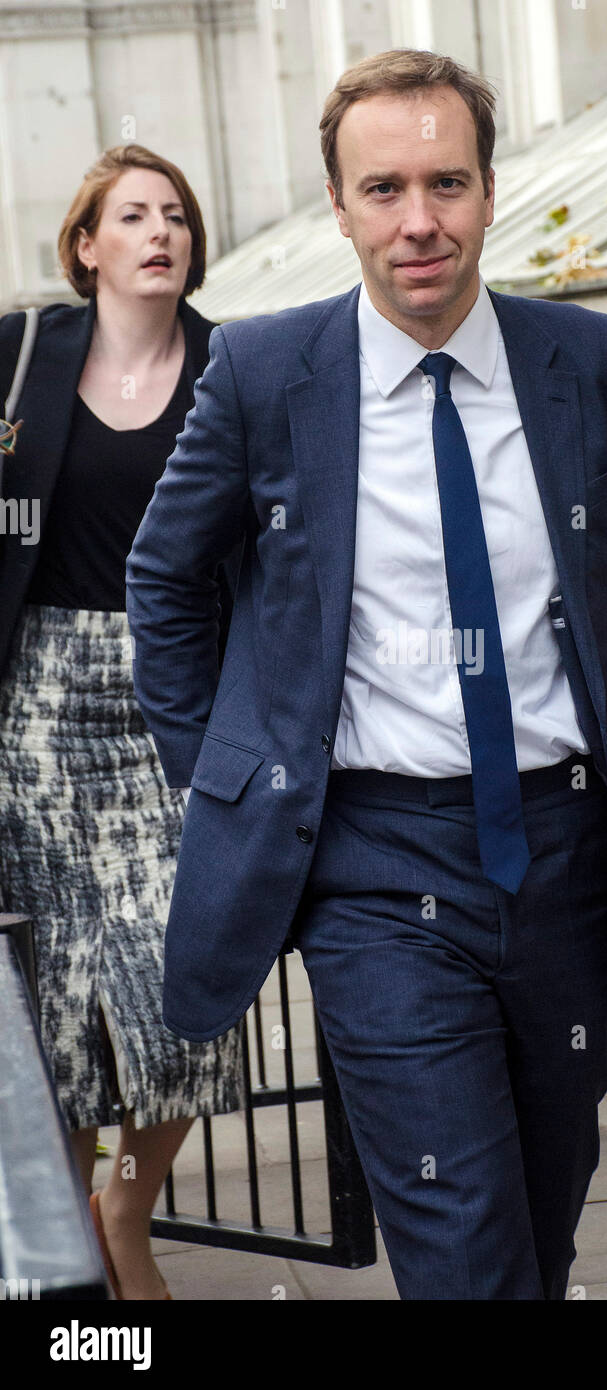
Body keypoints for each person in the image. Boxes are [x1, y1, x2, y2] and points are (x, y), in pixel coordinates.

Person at [126, 49, 607, 1301]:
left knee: (540, 1229)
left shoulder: (584, 361)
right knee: (466, 1253)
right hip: (375, 869)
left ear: (491, 192)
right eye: (382, 188)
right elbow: (163, 582)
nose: (418, 222)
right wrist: (223, 776)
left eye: (446, 182)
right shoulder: (269, 373)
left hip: (564, 857)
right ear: (337, 207)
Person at [0, 144, 243, 1301]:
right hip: (38, 704)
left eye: (178, 216)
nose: (162, 231)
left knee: (184, 993)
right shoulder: (21, 357)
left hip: (175, 700)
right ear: (87, 244)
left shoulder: (231, 367)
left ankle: (120, 1210)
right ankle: (76, 1268)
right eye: (134, 215)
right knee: (59, 1001)